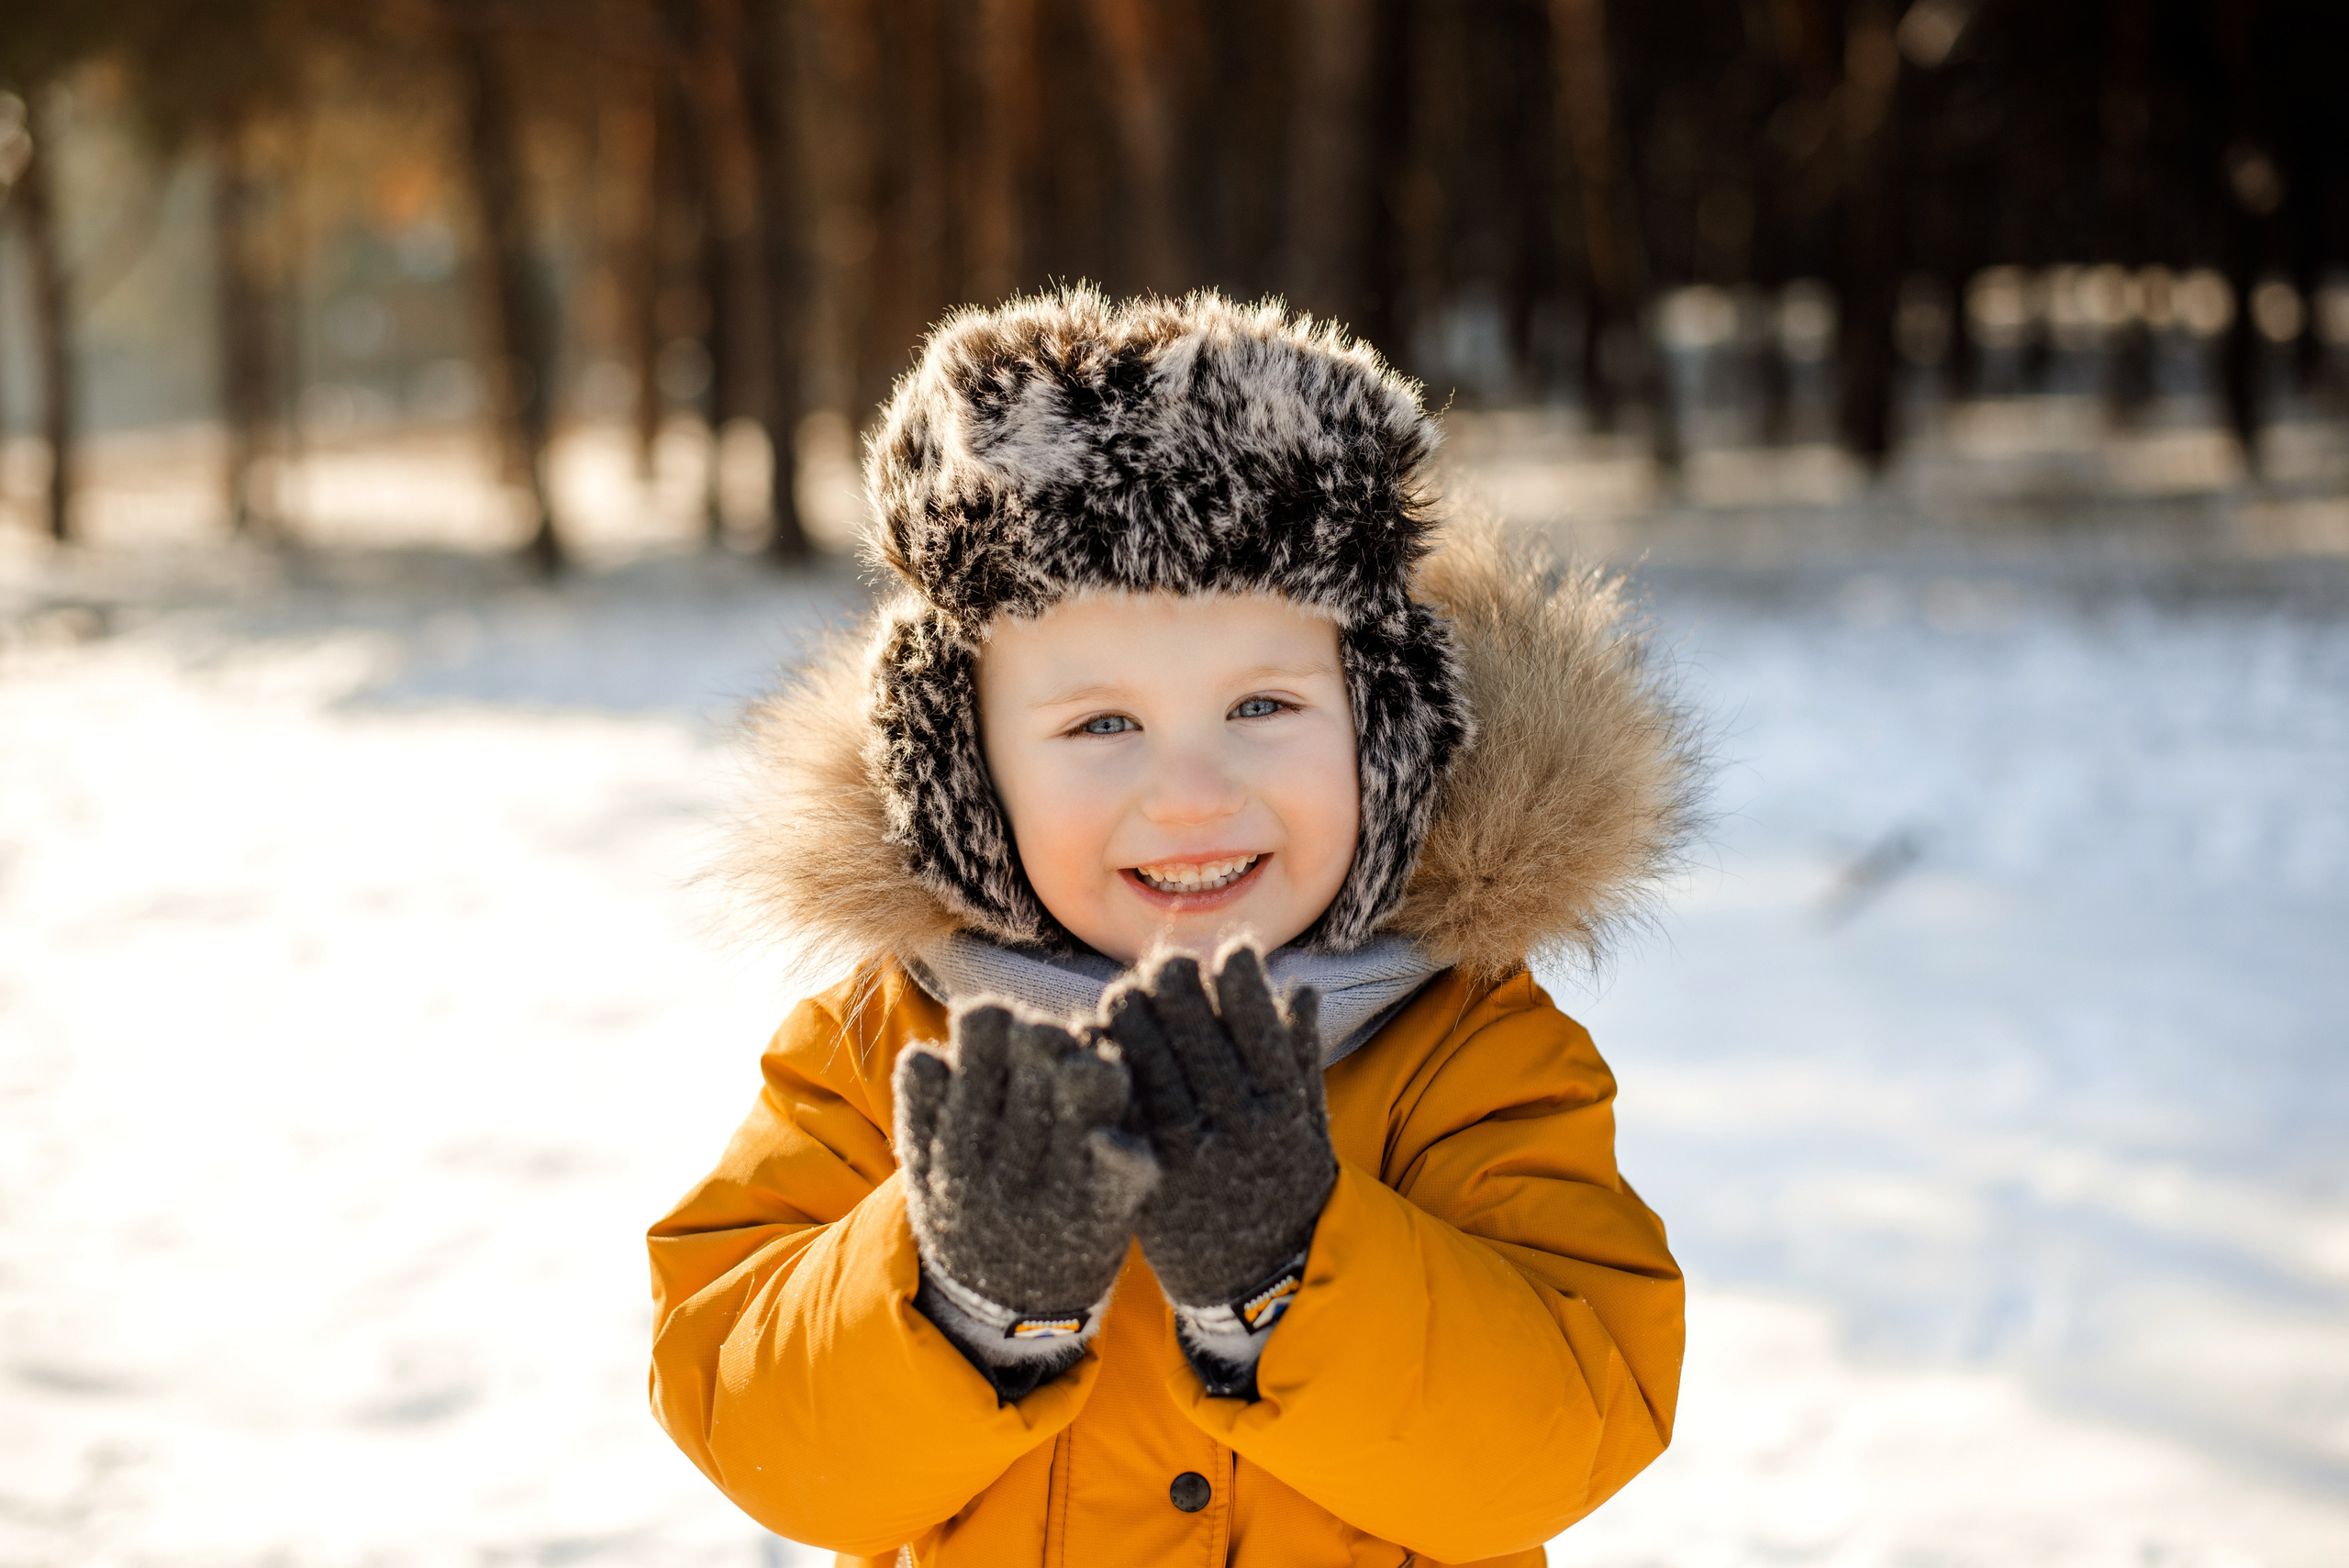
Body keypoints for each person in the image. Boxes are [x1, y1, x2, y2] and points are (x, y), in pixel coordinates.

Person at [648, 286, 1703, 1567]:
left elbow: (1569, 1427)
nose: (1193, 794)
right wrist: (954, 1292)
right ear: (965, 774)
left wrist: (1291, 1269)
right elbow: (750, 1416)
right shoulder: (891, 1046)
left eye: (1263, 704)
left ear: (1385, 729)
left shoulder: (1463, 1046)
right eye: (1101, 725)